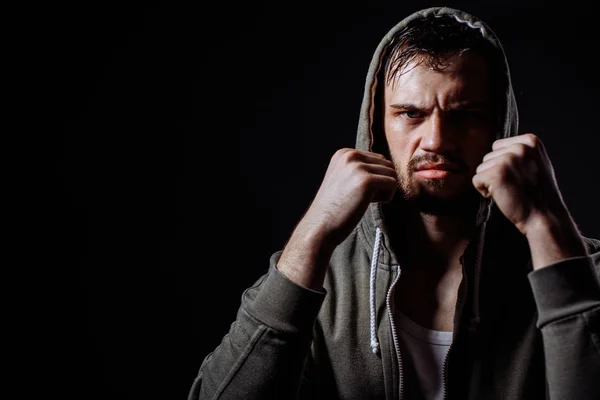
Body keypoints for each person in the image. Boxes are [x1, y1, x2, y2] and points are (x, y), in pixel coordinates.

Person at [188, 6, 600, 400]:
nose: (436, 140)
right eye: (410, 114)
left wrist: (547, 224)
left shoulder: (579, 268)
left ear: (500, 125)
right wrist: (314, 233)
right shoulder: (319, 276)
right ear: (376, 128)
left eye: (465, 115)